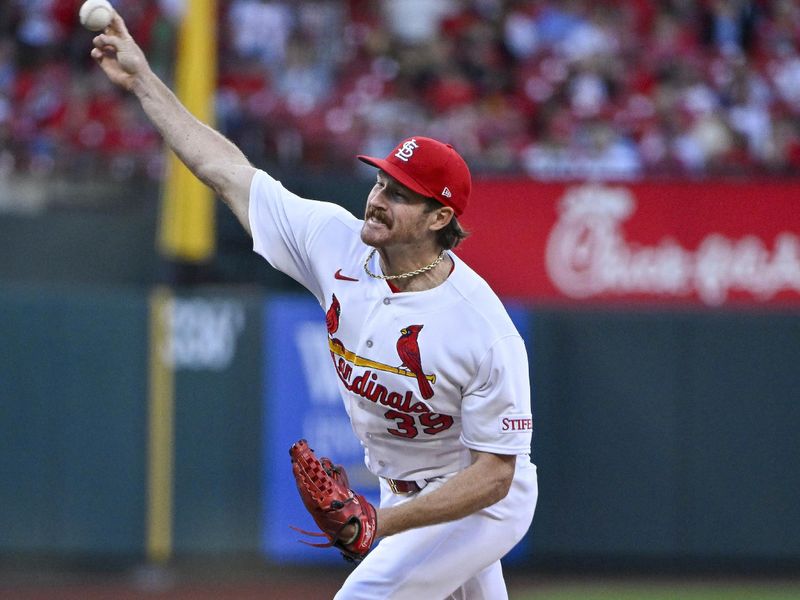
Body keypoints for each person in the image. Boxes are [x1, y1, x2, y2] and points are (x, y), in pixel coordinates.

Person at [90, 13, 537, 600]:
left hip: (480, 501)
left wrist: (378, 524)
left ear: (440, 219)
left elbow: (496, 474)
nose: (378, 200)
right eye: (381, 182)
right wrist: (145, 79)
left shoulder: (481, 329)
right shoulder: (334, 240)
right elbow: (226, 172)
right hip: (398, 490)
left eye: (401, 196)